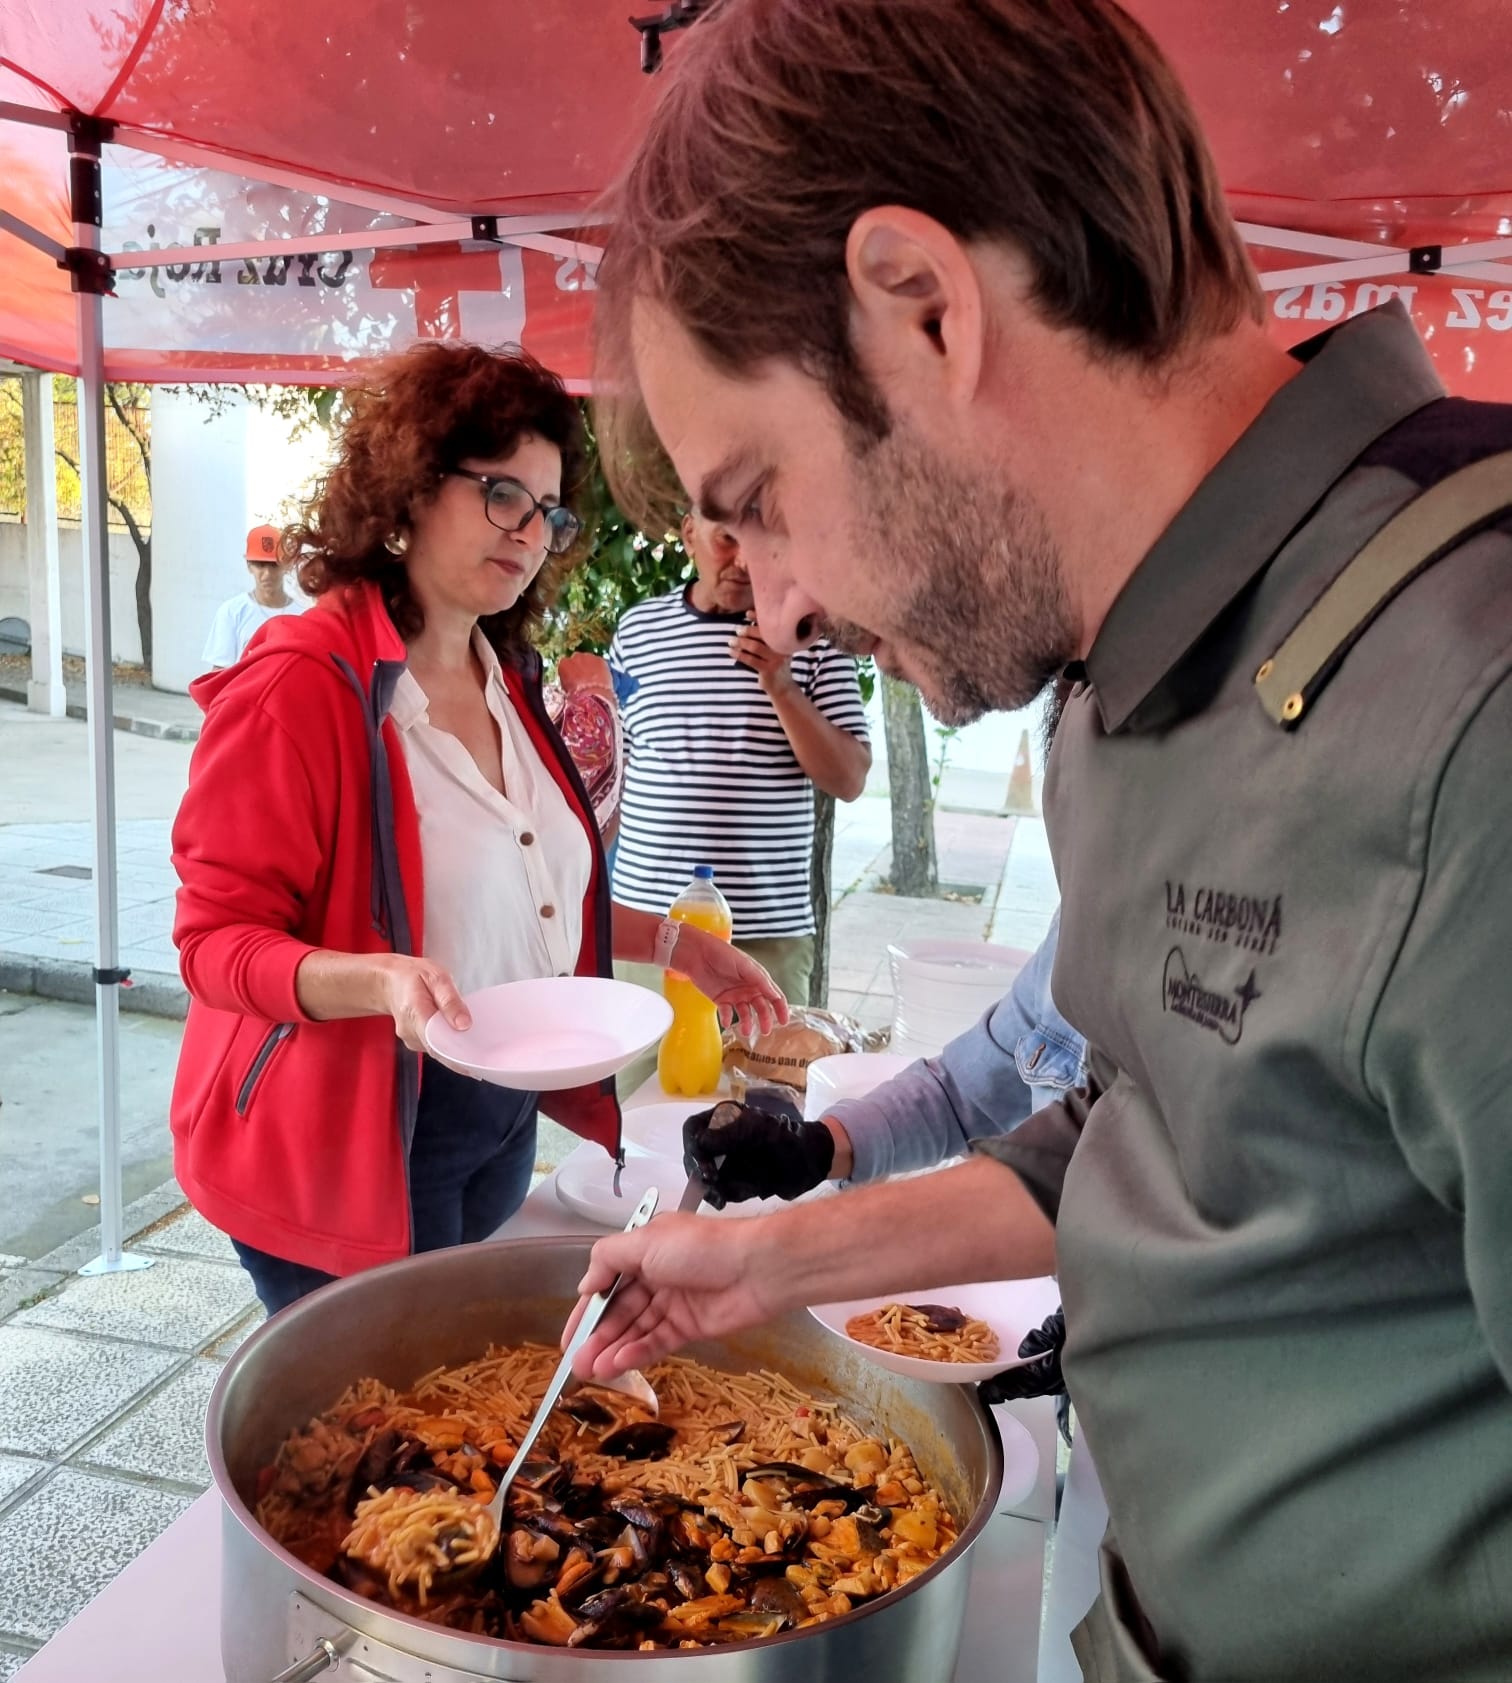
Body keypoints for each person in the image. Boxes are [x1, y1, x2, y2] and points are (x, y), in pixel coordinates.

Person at [567, 4, 1512, 1679]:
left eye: (762, 495)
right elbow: (1151, 1128)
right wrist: (760, 1260)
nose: (771, 599)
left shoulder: (1471, 707)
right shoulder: (1121, 687)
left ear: (924, 308)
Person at [170, 343, 784, 1317]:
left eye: (547, 510)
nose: (529, 531)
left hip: (494, 1115)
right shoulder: (301, 683)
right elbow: (212, 947)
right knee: (381, 1430)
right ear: (409, 487)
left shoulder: (507, 669)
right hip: (352, 1138)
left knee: (458, 1389)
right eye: (502, 492)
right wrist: (379, 980)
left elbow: (527, 890)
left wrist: (678, 946)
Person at [609, 509, 871, 1011]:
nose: (745, 561)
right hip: (647, 932)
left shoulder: (814, 640)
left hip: (766, 933)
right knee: (641, 1087)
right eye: (728, 539)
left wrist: (781, 686)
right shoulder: (638, 631)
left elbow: (850, 779)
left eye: (764, 546)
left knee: (762, 1087)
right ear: (689, 534)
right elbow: (616, 769)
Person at [201, 523, 304, 668]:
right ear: (249, 565)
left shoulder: (302, 615)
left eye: (274, 565)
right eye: (260, 564)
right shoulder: (232, 611)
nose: (267, 573)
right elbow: (219, 672)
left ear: (286, 565)